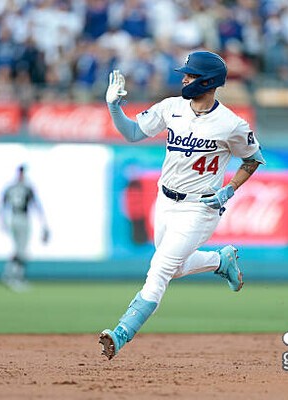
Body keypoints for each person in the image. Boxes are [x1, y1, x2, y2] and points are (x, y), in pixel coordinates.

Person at [99, 50, 265, 360]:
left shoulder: (231, 124)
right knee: (173, 268)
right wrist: (114, 107)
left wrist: (229, 190)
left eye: (191, 75)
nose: (185, 79)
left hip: (200, 208)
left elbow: (252, 159)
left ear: (208, 81)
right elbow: (133, 133)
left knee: (160, 268)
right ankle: (220, 261)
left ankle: (121, 332)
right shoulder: (171, 107)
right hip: (165, 201)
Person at [0, 164, 50, 292]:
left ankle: (9, 274)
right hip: (22, 218)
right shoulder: (27, 187)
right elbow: (36, 205)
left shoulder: (10, 187)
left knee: (18, 249)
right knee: (21, 250)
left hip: (13, 218)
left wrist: (2, 221)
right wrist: (43, 223)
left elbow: (3, 205)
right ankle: (15, 277)